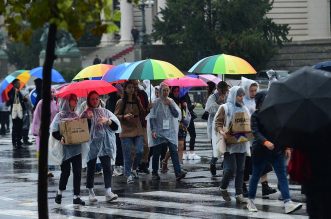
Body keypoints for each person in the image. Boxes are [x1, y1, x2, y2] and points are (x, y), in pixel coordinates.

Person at [246, 90, 302, 214]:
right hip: (260, 151)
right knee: (255, 176)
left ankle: (288, 202)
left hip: (277, 150)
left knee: (282, 176)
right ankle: (250, 201)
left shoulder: (276, 113)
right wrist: (265, 142)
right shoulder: (255, 115)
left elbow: (282, 131)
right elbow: (255, 132)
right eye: (266, 99)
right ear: (260, 102)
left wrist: (287, 146)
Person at [81, 91, 121, 203]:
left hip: (105, 144)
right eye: (92, 99)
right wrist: (87, 119)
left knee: (107, 167)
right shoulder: (85, 113)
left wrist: (107, 121)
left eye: (96, 98)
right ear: (89, 100)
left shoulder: (106, 112)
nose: (95, 101)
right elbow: (81, 130)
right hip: (92, 144)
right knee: (91, 167)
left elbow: (116, 127)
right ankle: (90, 191)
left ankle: (108, 191)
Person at [214, 86, 250, 203]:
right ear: (234, 95)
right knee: (230, 169)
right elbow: (218, 122)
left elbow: (249, 122)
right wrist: (221, 131)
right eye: (239, 95)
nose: (241, 98)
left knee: (241, 169)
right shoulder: (225, 107)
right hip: (229, 142)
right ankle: (223, 187)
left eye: (242, 95)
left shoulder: (245, 108)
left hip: (242, 142)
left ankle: (239, 194)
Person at [241, 78, 276, 197]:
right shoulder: (242, 102)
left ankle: (265, 186)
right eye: (251, 91)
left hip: (258, 135)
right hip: (245, 136)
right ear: (246, 90)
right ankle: (243, 185)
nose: (254, 93)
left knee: (263, 161)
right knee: (246, 163)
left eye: (255, 90)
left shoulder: (258, 100)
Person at [51, 94, 85, 206]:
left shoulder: (77, 115)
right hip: (65, 149)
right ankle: (59, 193)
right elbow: (54, 131)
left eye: (76, 99)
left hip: (76, 148)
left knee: (77, 172)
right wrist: (61, 138)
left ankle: (76, 196)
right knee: (65, 172)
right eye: (73, 100)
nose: (76, 102)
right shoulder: (60, 116)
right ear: (67, 101)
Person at [148, 83, 186, 181]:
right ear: (160, 91)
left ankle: (178, 173)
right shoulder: (155, 102)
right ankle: (155, 172)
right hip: (159, 131)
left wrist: (170, 105)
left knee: (173, 150)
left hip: (170, 131)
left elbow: (176, 114)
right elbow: (152, 118)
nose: (165, 92)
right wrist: (153, 130)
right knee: (157, 152)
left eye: (167, 90)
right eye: (163, 90)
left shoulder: (171, 101)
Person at [114, 81, 145, 184]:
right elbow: (115, 116)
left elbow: (143, 112)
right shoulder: (120, 102)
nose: (131, 89)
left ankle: (134, 169)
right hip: (125, 129)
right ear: (125, 89)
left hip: (137, 127)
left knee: (140, 151)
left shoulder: (137, 99)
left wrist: (148, 106)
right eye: (129, 87)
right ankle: (128, 175)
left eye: (133, 87)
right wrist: (124, 117)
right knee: (127, 154)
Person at [161, 86, 191, 172]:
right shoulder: (170, 100)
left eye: (178, 91)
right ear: (172, 91)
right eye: (175, 91)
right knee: (174, 147)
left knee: (181, 145)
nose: (176, 92)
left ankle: (179, 165)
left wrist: (185, 106)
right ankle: (165, 161)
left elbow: (185, 112)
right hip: (173, 125)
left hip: (181, 124)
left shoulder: (182, 99)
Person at [31, 89, 59, 176]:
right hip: (43, 131)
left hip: (52, 131)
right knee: (43, 150)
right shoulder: (41, 103)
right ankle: (44, 170)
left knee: (51, 150)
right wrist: (36, 130)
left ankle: (47, 169)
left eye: (53, 92)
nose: (51, 93)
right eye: (50, 92)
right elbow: (36, 116)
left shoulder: (56, 103)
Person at [205, 81, 229, 176]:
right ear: (218, 89)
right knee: (217, 147)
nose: (223, 93)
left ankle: (225, 166)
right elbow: (209, 109)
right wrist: (220, 104)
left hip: (225, 126)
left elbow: (230, 107)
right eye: (222, 91)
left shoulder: (227, 96)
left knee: (227, 147)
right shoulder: (212, 97)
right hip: (214, 126)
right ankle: (213, 163)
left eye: (225, 91)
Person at [6, 79, 26, 149]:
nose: (19, 84)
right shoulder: (12, 91)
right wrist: (16, 95)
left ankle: (19, 141)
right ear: (14, 84)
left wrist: (23, 99)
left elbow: (21, 100)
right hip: (15, 111)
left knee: (19, 126)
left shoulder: (18, 91)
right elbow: (10, 101)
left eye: (19, 83)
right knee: (15, 127)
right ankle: (15, 142)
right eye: (18, 83)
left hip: (19, 111)